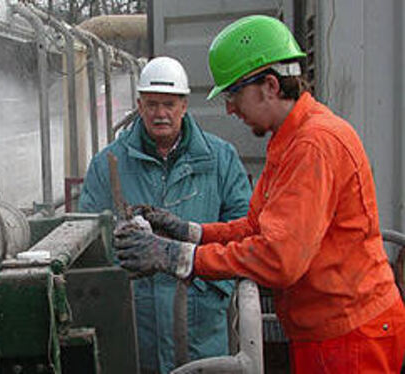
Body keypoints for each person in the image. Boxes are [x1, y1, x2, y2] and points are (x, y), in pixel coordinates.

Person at [113, 15, 405, 373]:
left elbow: (279, 258)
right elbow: (257, 228)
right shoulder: (290, 140)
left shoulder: (314, 144)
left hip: (348, 337)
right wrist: (191, 231)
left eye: (234, 93)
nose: (230, 108)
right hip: (328, 331)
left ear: (269, 85)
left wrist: (179, 258)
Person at [78, 56, 252, 374]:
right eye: (152, 104)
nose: (161, 113)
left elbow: (243, 231)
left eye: (169, 104)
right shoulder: (108, 164)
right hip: (134, 326)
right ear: (139, 105)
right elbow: (88, 240)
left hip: (201, 323)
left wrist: (215, 286)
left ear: (184, 106)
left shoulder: (220, 159)